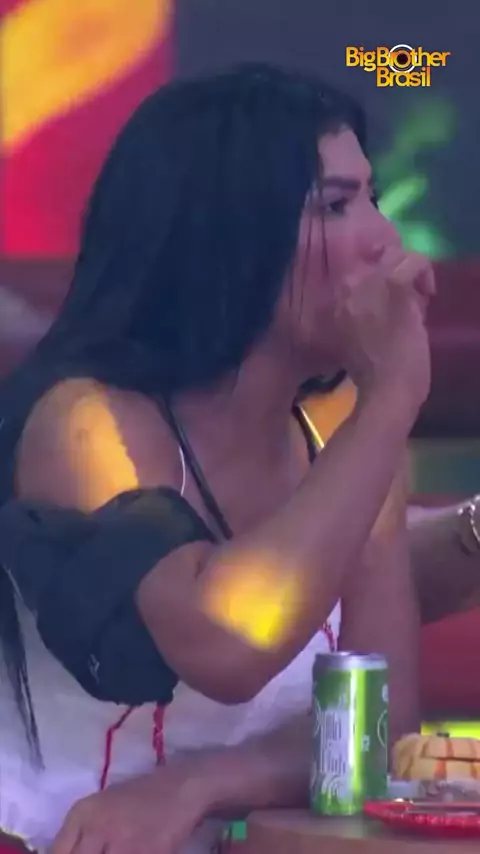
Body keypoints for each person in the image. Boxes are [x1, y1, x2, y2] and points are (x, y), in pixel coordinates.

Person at [0, 63, 435, 853]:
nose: (384, 239)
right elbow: (230, 644)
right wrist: (391, 398)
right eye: (336, 205)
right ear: (230, 238)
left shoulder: (347, 426)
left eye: (372, 198)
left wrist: (199, 784)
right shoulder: (88, 425)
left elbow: (372, 729)